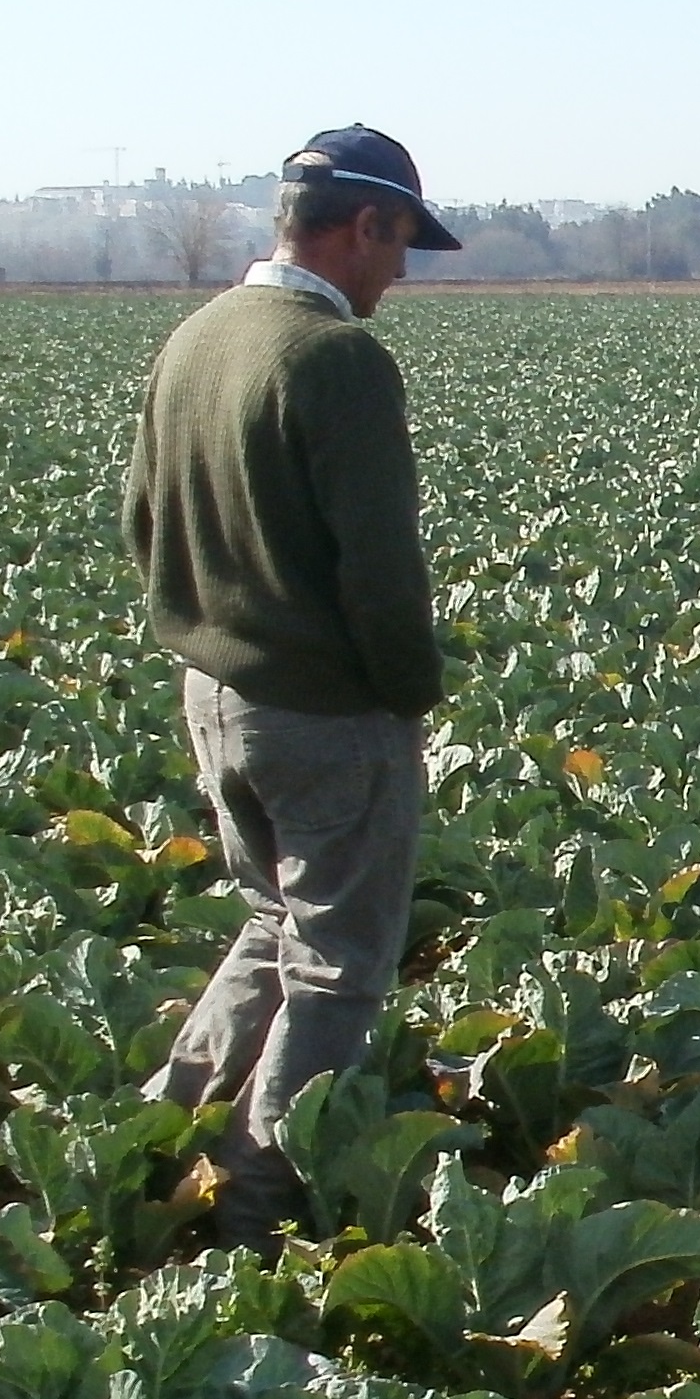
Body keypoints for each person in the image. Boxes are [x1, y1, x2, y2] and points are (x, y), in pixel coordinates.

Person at [125, 126, 460, 1243]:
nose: (401, 272)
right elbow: (378, 565)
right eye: (401, 241)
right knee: (337, 970)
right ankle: (260, 1200)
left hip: (215, 693)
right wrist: (407, 692)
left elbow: (142, 520)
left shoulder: (198, 337)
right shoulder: (331, 358)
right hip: (324, 712)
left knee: (274, 926)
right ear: (361, 225)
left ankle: (159, 1135)